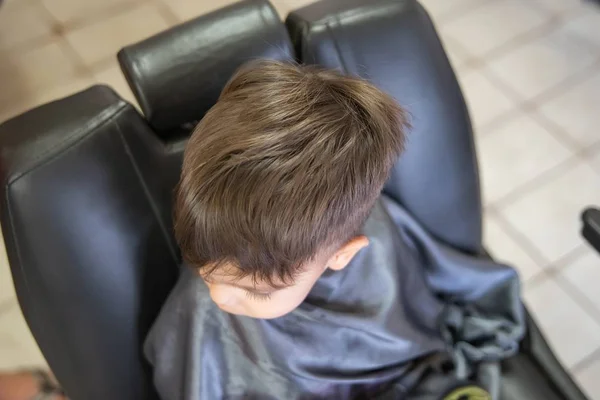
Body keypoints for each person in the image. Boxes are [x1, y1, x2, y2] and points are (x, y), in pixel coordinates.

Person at [146, 60, 524, 399]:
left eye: (255, 292)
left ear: (343, 254)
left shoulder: (377, 238)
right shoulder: (204, 316)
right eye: (203, 268)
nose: (218, 297)